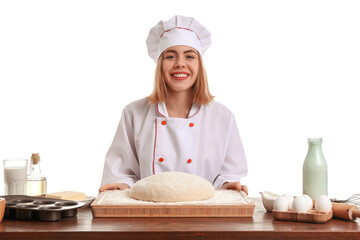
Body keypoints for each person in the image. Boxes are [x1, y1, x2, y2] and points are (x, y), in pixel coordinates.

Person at [99, 15, 248, 194]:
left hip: (204, 216)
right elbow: (121, 172)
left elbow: (228, 175)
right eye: (170, 56)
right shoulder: (134, 113)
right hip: (147, 215)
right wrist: (121, 184)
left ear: (199, 65)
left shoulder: (222, 117)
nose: (180, 64)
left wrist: (228, 185)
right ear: (160, 65)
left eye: (189, 56)